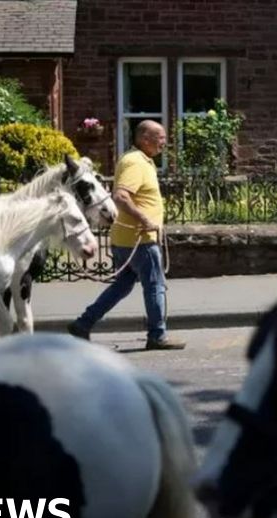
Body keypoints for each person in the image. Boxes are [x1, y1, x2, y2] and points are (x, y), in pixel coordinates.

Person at [67, 120, 186, 350]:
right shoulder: (134, 162)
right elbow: (120, 197)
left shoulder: (141, 161)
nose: (164, 142)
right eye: (159, 137)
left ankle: (83, 323)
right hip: (140, 240)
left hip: (127, 239)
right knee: (155, 286)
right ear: (143, 138)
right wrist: (146, 220)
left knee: (121, 286)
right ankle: (157, 335)